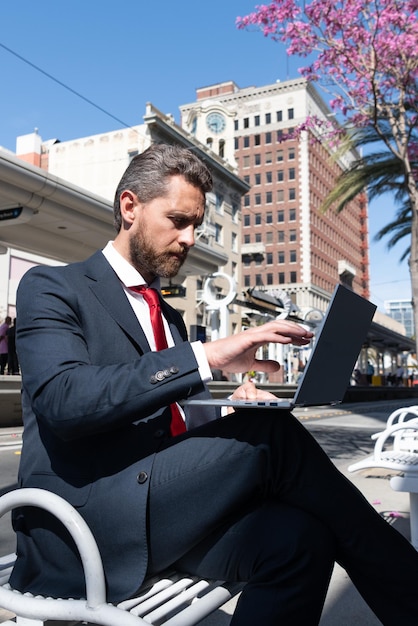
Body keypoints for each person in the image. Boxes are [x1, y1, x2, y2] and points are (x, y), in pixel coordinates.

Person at [11, 144, 418, 625]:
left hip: (158, 511)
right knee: (273, 438)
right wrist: (207, 356)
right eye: (178, 220)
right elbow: (65, 401)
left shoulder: (168, 318)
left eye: (197, 225)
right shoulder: (52, 287)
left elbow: (172, 424)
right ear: (129, 207)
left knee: (300, 537)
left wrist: (228, 414)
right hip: (83, 526)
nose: (189, 238)